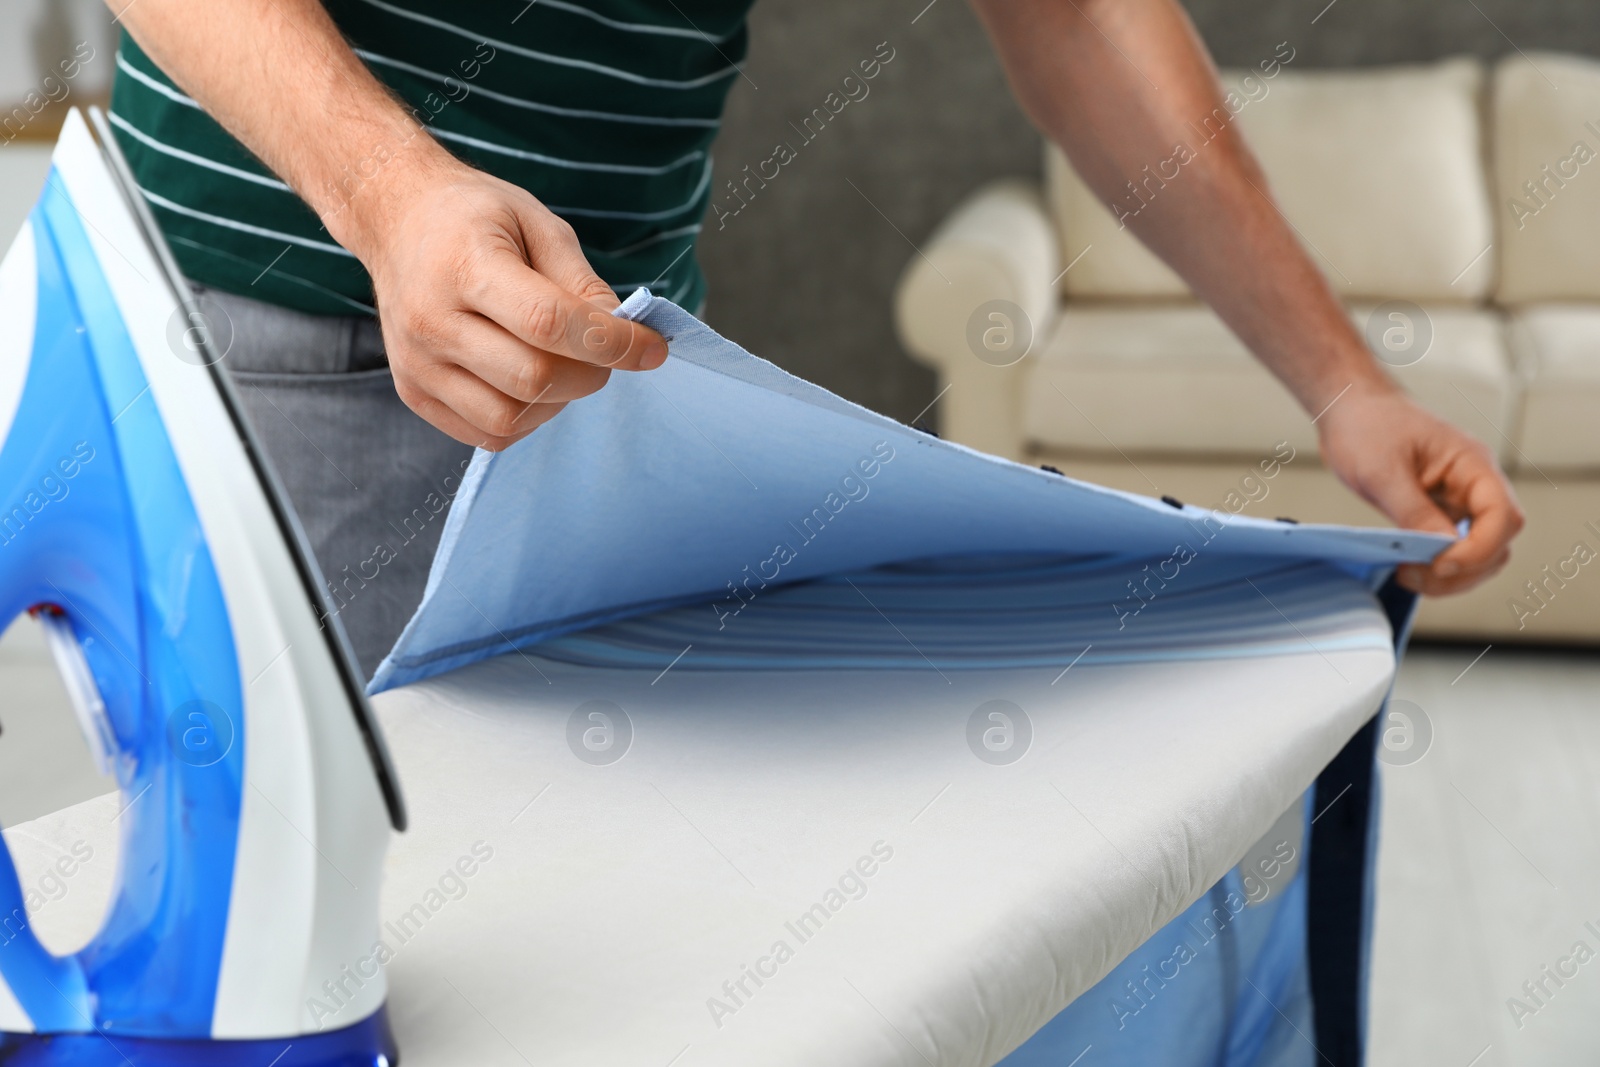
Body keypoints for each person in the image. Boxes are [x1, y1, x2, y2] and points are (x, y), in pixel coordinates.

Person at [104, 0, 1522, 672]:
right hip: (290, 315)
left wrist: (1338, 383)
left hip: (626, 370)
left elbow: (1081, 17)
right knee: (323, 948)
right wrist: (390, 196)